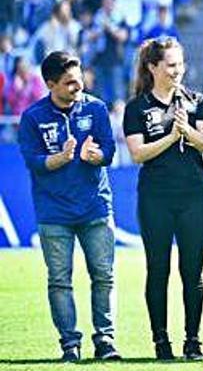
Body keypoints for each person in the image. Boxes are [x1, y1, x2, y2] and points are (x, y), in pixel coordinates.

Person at [18, 51, 120, 362]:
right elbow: (32, 161)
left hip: (95, 207)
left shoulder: (97, 108)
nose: (79, 86)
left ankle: (105, 341)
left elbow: (110, 150)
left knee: (104, 276)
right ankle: (70, 344)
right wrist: (59, 159)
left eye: (80, 79)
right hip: (54, 213)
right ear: (50, 84)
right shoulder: (33, 117)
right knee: (60, 280)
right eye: (70, 83)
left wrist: (97, 156)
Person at [123, 37, 203, 360]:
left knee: (193, 271)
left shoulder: (195, 100)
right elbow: (136, 153)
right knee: (157, 269)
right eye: (171, 65)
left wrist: (185, 132)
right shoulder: (138, 107)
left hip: (193, 196)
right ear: (153, 67)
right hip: (155, 197)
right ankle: (161, 341)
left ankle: (193, 340)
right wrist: (170, 136)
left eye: (180, 64)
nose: (178, 71)